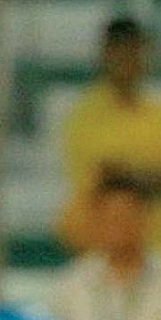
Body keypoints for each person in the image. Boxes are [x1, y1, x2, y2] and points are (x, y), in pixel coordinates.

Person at [56, 15, 161, 251]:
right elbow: (102, 180)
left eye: (133, 51)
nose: (126, 60)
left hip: (154, 247)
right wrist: (146, 177)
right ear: (105, 55)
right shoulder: (85, 116)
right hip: (102, 250)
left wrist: (128, 174)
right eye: (119, 51)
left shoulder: (156, 116)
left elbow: (120, 175)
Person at [47, 171, 161, 320]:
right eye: (110, 218)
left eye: (125, 216)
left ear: (144, 218)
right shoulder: (72, 285)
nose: (118, 227)